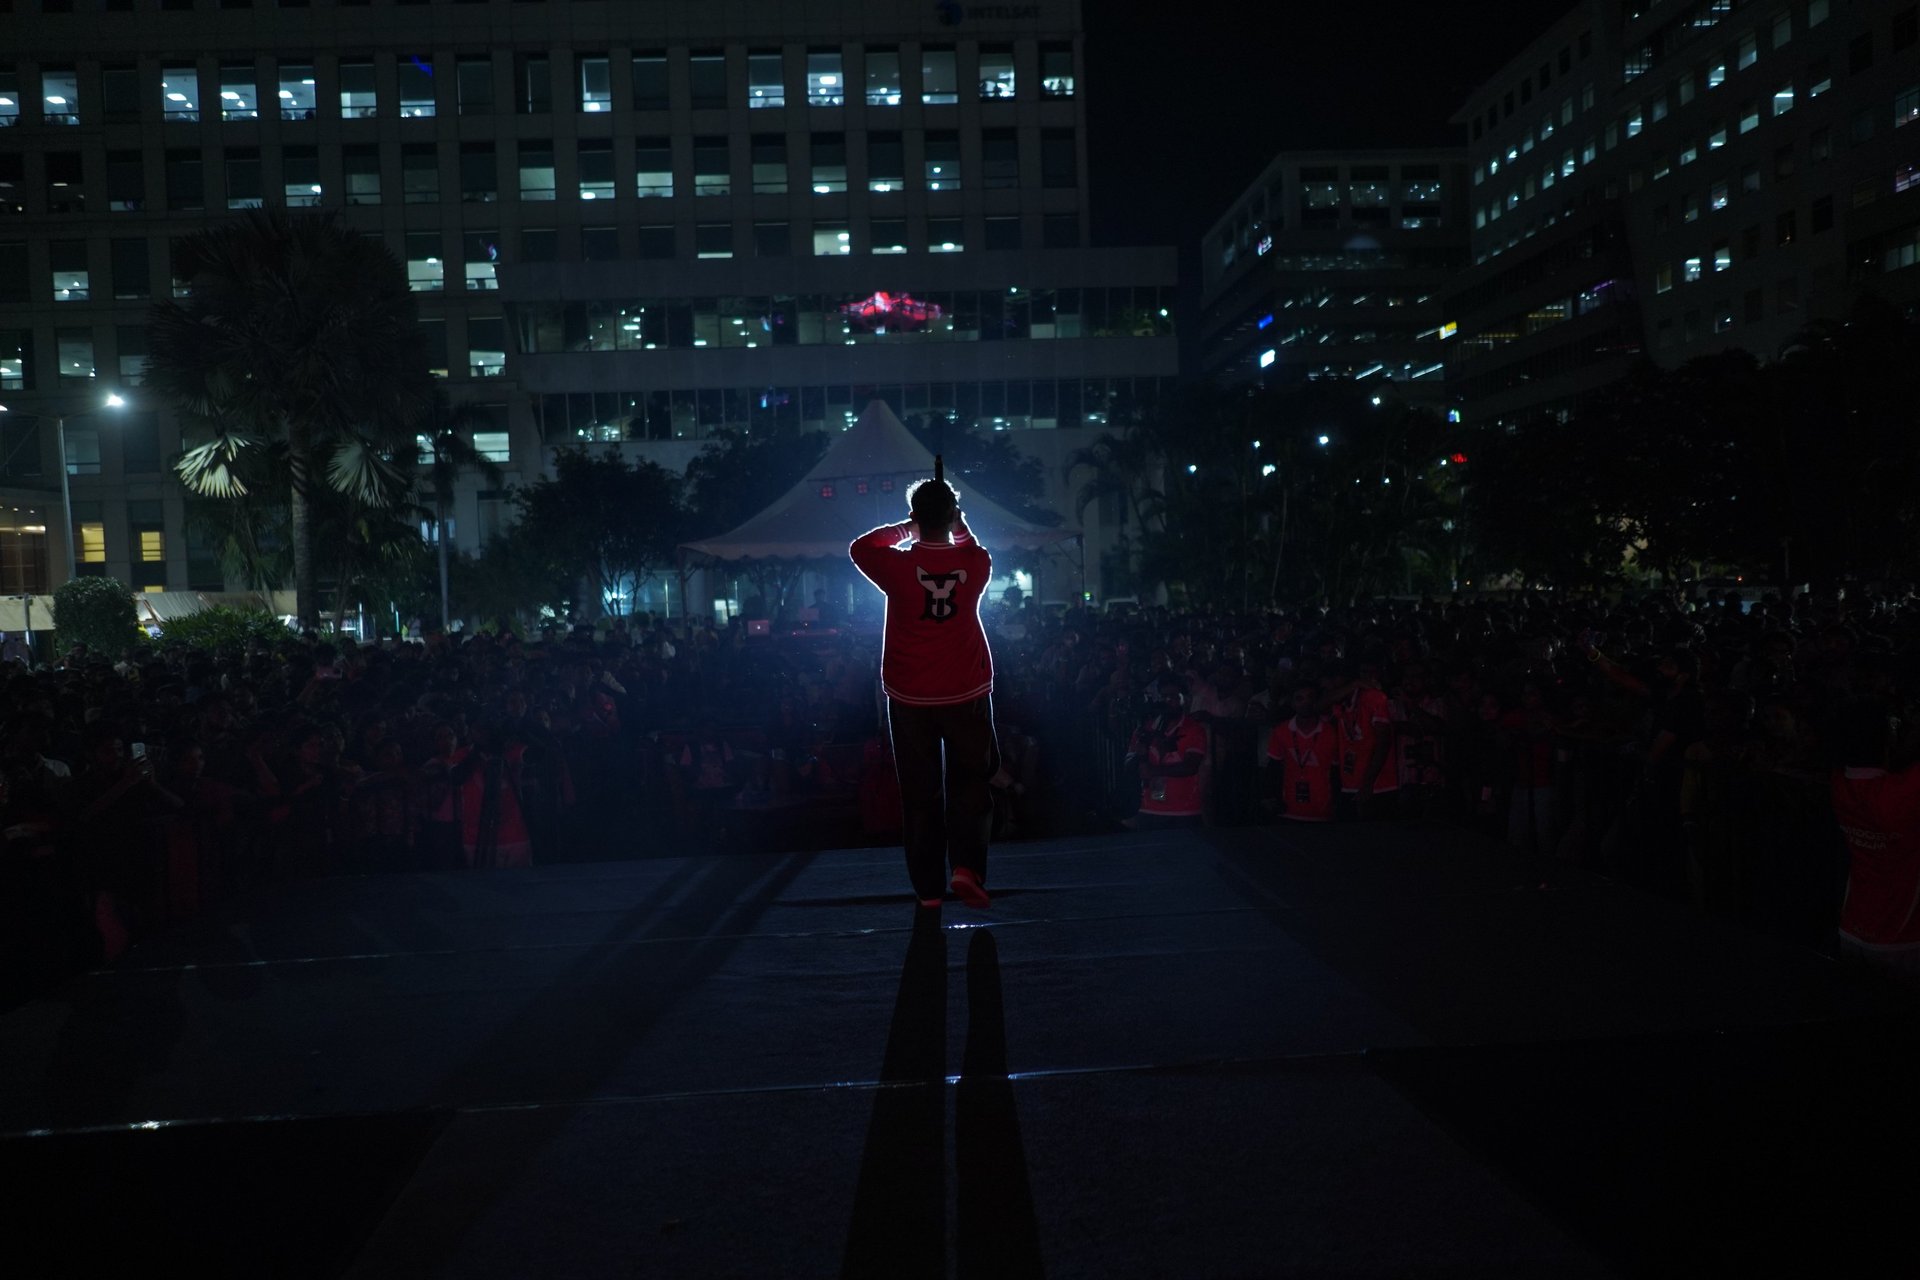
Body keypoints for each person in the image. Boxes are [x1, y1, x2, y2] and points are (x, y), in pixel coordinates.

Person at [849, 477, 998, 910]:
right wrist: (958, 523)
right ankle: (967, 868)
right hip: (965, 689)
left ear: (917, 516)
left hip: (910, 694)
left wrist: (908, 529)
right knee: (971, 783)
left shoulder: (896, 567)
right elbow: (972, 547)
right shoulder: (975, 563)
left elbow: (861, 547)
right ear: (952, 515)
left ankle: (928, 890)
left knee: (919, 794)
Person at [1266, 683, 1337, 823]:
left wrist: (1336, 804)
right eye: (1299, 699)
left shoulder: (1331, 732)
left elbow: (1336, 772)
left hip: (1323, 811)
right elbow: (1273, 768)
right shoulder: (1281, 731)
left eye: (1310, 698)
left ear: (1317, 701)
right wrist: (1272, 798)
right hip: (1287, 810)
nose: (1306, 703)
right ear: (1292, 703)